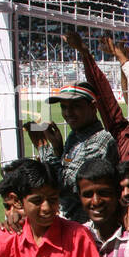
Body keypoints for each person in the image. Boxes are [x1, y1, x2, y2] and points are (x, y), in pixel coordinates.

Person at [32, 81, 119, 221]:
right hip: (69, 221)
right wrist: (57, 148)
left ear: (93, 107)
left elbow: (70, 185)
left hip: (85, 225)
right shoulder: (76, 135)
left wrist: (43, 148)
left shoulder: (100, 141)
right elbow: (66, 170)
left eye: (75, 106)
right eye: (64, 107)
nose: (68, 113)